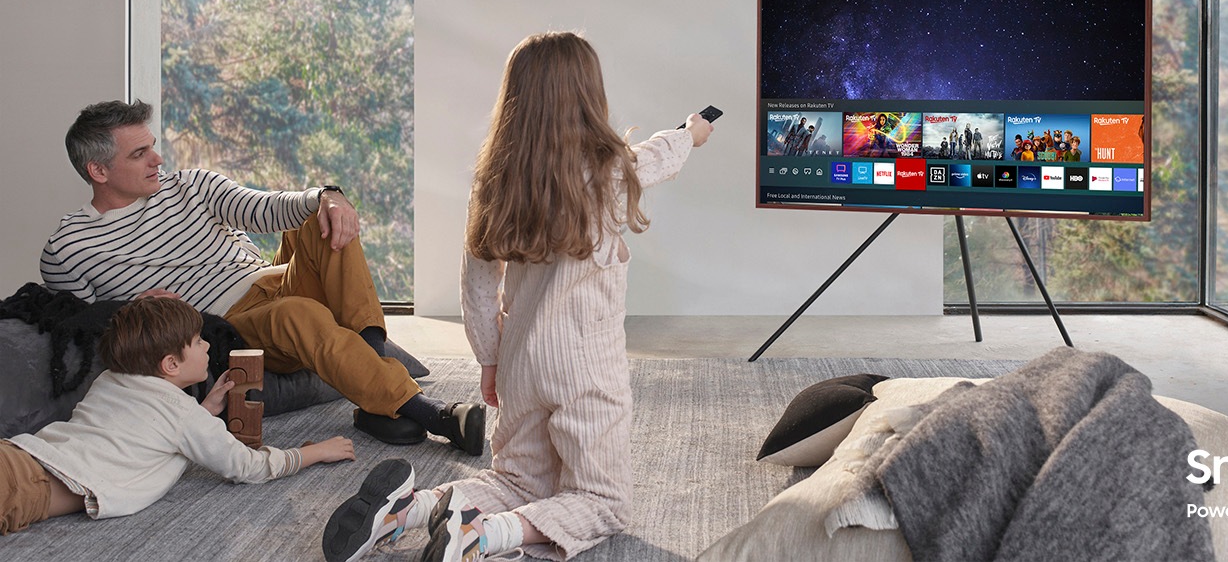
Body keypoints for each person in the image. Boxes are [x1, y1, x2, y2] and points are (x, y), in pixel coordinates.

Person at [321, 32, 712, 562]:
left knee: (516, 481)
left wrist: (490, 362)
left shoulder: (495, 184)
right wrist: (691, 132)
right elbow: (659, 154)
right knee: (604, 501)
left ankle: (407, 510)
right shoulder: (611, 173)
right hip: (587, 373)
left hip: (521, 364)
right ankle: (481, 537)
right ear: (588, 97)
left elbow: (478, 286)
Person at [40, 100, 487, 453]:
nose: (158, 159)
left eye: (153, 146)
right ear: (98, 171)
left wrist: (328, 196)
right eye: (139, 154)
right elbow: (76, 326)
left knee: (321, 219)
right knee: (299, 314)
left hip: (271, 278)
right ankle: (433, 414)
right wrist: (127, 309)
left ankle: (377, 396)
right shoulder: (70, 247)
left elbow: (268, 208)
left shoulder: (191, 185)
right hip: (230, 324)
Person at [0, 296, 354, 535]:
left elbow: (145, 428)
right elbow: (247, 467)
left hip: (20, 455)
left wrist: (203, 411)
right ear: (171, 364)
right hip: (26, 484)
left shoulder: (110, 379)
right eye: (199, 341)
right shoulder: (181, 416)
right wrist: (315, 452)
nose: (208, 346)